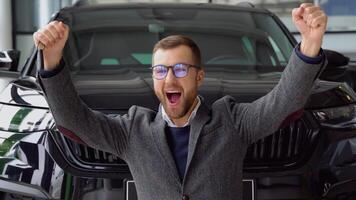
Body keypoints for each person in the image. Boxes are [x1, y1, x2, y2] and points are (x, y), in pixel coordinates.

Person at [34, 3, 327, 200]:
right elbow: (73, 120)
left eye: (181, 69)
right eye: (161, 70)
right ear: (153, 77)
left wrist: (310, 44)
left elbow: (283, 103)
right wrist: (52, 59)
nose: (170, 79)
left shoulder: (231, 121)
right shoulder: (132, 131)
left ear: (199, 77)